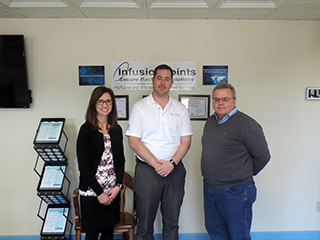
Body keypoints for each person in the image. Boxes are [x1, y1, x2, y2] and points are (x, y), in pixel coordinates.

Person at [126, 64, 193, 240]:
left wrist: (171, 163)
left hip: (174, 170)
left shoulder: (180, 109)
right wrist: (156, 164)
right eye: (159, 78)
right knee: (145, 221)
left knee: (172, 221)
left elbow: (186, 141)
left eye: (167, 79)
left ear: (172, 82)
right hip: (148, 170)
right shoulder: (140, 107)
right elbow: (133, 141)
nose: (163, 82)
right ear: (153, 80)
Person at [201, 82, 270, 240]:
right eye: (216, 99)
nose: (220, 103)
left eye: (225, 99)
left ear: (234, 101)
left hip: (236, 191)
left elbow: (263, 156)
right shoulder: (211, 122)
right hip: (210, 188)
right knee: (215, 232)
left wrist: (242, 173)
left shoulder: (247, 125)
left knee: (238, 235)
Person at [76, 86, 125, 240]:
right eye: (101, 101)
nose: (105, 105)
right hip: (92, 193)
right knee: (92, 234)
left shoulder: (116, 130)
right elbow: (83, 166)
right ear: (94, 104)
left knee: (108, 234)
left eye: (108, 101)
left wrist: (118, 186)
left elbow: (120, 160)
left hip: (112, 193)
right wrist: (99, 193)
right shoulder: (86, 130)